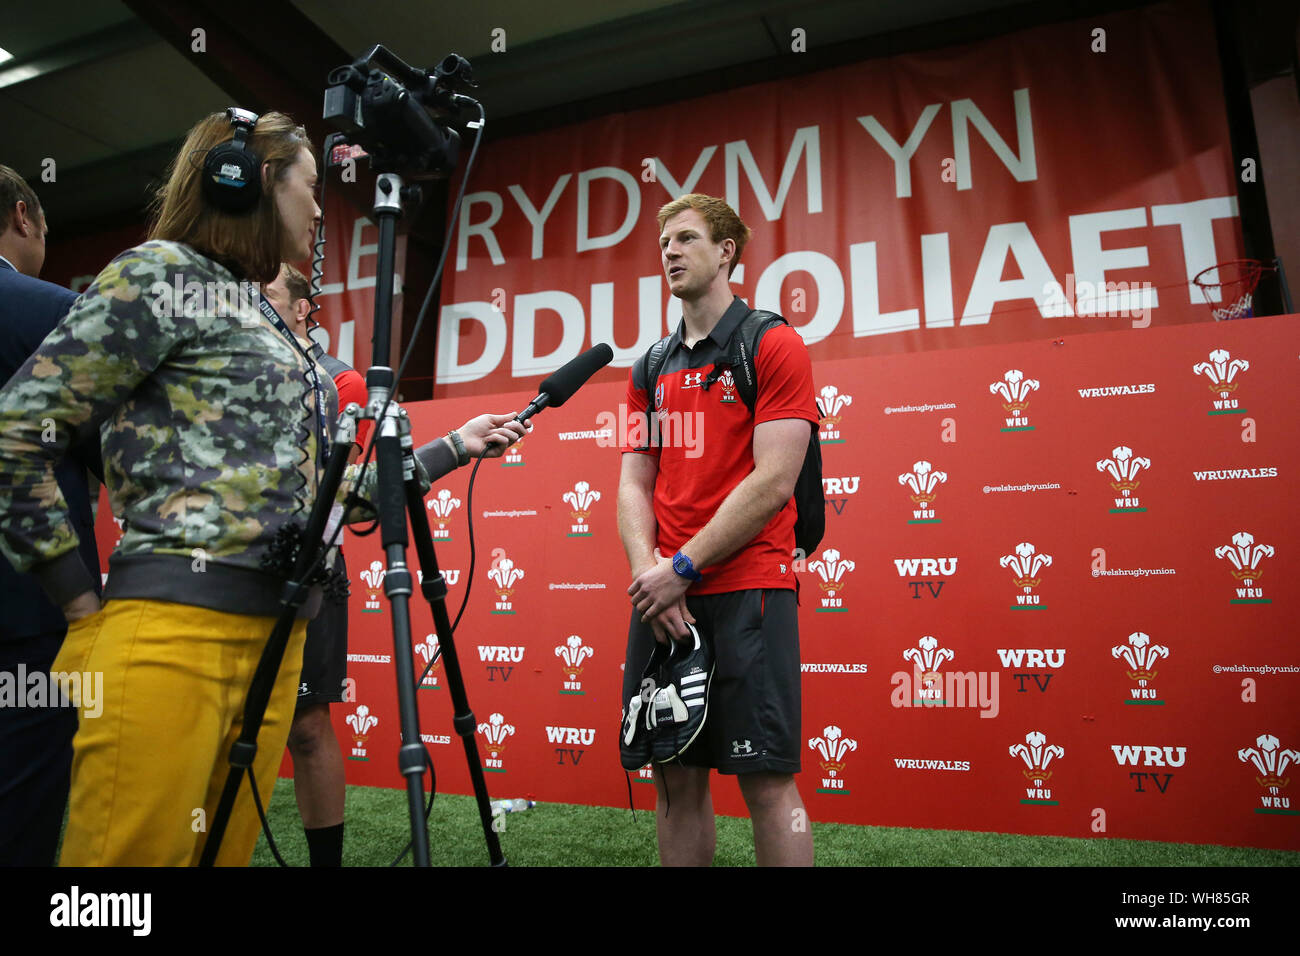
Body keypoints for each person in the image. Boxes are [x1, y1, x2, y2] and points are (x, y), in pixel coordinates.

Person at [0, 110, 524, 866]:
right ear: (245, 183)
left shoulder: (269, 322)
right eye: (310, 189)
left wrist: (449, 449)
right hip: (171, 640)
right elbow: (17, 431)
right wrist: (77, 601)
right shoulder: (160, 274)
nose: (319, 210)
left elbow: (329, 503)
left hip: (276, 647)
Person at [619, 193, 817, 866]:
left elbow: (773, 483)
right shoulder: (647, 366)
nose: (668, 252)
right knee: (673, 778)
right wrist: (653, 576)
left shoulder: (774, 343)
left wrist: (679, 570)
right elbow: (633, 484)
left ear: (726, 250)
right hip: (665, 597)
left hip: (748, 587)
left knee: (766, 780)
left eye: (685, 239)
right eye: (662, 242)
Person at [0, 165, 102, 866]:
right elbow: (113, 450)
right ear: (22, 216)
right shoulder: (51, 310)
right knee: (23, 818)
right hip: (32, 613)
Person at [260, 262, 365, 867]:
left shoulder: (340, 381)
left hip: (312, 570)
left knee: (306, 724)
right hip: (230, 570)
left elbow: (352, 493)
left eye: (269, 292)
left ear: (303, 308)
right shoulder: (236, 365)